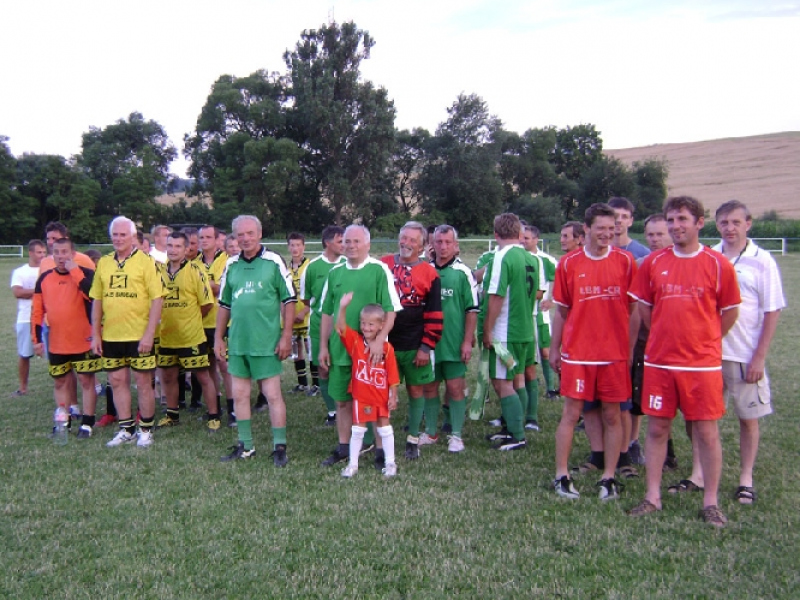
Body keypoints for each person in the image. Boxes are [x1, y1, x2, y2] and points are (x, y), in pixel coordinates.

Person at [628, 196, 740, 527]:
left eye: (683, 219)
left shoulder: (718, 264)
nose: (677, 226)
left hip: (701, 366)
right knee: (658, 427)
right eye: (672, 220)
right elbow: (645, 309)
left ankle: (710, 502)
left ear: (699, 222)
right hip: (661, 362)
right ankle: (652, 496)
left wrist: (703, 339)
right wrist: (666, 336)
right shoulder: (652, 263)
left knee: (706, 433)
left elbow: (730, 311)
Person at [550, 203, 637, 500]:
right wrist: (554, 349)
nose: (606, 234)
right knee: (571, 414)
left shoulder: (626, 262)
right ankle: (561, 475)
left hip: (613, 355)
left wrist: (628, 350)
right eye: (600, 228)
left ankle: (608, 476)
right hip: (578, 353)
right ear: (586, 229)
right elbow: (561, 311)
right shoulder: (569, 263)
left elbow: (632, 309)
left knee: (613, 415)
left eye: (611, 229)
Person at [712, 200, 783, 504]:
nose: (730, 228)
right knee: (705, 419)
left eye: (736, 223)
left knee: (747, 418)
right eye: (724, 222)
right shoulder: (710, 257)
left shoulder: (762, 260)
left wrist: (759, 357)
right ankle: (701, 474)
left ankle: (746, 478)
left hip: (744, 354)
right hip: (710, 354)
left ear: (748, 224)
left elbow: (772, 310)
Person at [215, 215, 296, 465]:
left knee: (272, 394)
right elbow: (224, 304)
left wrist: (286, 336)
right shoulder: (231, 265)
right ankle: (246, 445)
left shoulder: (273, 262)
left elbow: (289, 301)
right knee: (239, 394)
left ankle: (279, 446)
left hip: (266, 342)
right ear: (234, 237)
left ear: (260, 234)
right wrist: (219, 336)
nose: (245, 238)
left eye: (250, 233)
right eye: (240, 234)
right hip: (239, 342)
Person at [318, 225, 401, 468]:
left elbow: (391, 310)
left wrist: (379, 340)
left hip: (372, 353)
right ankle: (345, 446)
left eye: (356, 241)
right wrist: (323, 346)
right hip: (342, 348)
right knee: (343, 400)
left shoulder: (378, 270)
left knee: (375, 401)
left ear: (367, 244)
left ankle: (379, 450)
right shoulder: (335, 273)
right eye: (347, 241)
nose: (351, 245)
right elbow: (326, 313)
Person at [90, 216, 166, 448]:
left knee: (143, 382)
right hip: (112, 335)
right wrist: (95, 333)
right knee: (116, 380)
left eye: (123, 234)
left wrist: (149, 333)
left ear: (133, 237)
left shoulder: (146, 262)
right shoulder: (104, 262)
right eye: (115, 234)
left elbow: (157, 298)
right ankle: (126, 429)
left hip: (138, 335)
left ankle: (145, 429)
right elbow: (97, 300)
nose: (118, 238)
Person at [381, 221, 443, 459]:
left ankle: (412, 439)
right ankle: (376, 439)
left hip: (415, 344)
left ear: (423, 245)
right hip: (385, 344)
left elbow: (435, 313)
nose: (406, 243)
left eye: (413, 240)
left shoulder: (430, 273)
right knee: (379, 392)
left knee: (416, 390)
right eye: (403, 237)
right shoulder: (383, 264)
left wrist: (426, 346)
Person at [32, 238, 101, 438]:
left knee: (86, 381)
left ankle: (88, 422)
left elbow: (93, 296)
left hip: (83, 339)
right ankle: (65, 421)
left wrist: (75, 271)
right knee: (60, 382)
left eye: (65, 252)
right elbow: (36, 312)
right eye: (57, 252)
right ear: (52, 255)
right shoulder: (44, 278)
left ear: (73, 254)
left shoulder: (86, 274)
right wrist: (36, 339)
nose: (61, 256)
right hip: (57, 342)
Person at [482, 213, 539, 451]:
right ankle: (511, 427)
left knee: (503, 382)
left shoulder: (501, 257)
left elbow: (497, 295)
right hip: (526, 329)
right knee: (516, 380)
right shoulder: (531, 258)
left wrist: (487, 330)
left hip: (506, 332)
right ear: (518, 233)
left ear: (496, 234)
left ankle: (517, 435)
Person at [421, 225, 478, 452]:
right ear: (432, 245)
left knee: (455, 388)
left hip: (453, 342)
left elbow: (472, 310)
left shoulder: (463, 273)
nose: (443, 247)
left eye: (448, 242)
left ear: (456, 246)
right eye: (439, 242)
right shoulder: (424, 270)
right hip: (429, 343)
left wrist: (467, 340)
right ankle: (432, 433)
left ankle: (456, 434)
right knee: (430, 386)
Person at [627, 214, 678, 469]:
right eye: (651, 234)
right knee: (638, 393)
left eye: (660, 234)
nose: (655, 239)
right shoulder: (641, 263)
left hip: (679, 343)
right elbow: (636, 307)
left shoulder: (687, 262)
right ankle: (634, 443)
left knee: (671, 398)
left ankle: (668, 449)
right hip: (646, 338)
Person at [156, 232, 220, 431]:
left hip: (191, 336)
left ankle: (214, 415)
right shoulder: (158, 271)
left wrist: (189, 319)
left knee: (202, 376)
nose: (173, 250)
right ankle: (172, 415)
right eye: (170, 245)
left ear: (186, 250)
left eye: (178, 246)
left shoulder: (195, 270)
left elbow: (207, 304)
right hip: (166, 335)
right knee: (168, 376)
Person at [336, 292, 400, 478]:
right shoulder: (356, 342)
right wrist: (342, 307)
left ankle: (390, 463)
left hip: (381, 397)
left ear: (382, 325)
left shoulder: (387, 349)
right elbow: (340, 328)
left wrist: (393, 395)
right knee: (357, 429)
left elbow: (393, 375)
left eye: (371, 324)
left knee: (385, 428)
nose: (366, 327)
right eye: (363, 323)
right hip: (361, 396)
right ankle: (352, 464)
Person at [300, 225, 345, 424]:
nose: (344, 245)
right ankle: (332, 412)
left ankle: (349, 409)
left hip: (345, 326)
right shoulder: (313, 267)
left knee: (345, 368)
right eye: (340, 241)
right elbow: (306, 298)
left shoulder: (349, 264)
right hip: (320, 325)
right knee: (324, 369)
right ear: (328, 242)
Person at [189, 225, 229, 416]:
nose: (204, 240)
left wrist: (203, 286)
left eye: (208, 237)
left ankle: (233, 408)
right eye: (201, 237)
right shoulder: (194, 262)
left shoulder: (226, 259)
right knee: (208, 366)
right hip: (201, 322)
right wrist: (209, 286)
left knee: (225, 366)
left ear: (216, 239)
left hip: (222, 321)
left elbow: (222, 288)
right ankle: (216, 405)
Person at [521, 224, 558, 420]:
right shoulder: (519, 257)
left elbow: (560, 279)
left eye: (527, 238)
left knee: (545, 350)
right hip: (523, 314)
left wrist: (552, 300)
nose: (524, 241)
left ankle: (551, 387)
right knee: (529, 356)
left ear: (536, 240)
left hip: (539, 314)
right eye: (523, 237)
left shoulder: (546, 260)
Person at [10, 240, 47, 396]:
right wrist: (40, 290)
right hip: (26, 317)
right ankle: (23, 387)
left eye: (44, 252)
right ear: (30, 253)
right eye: (39, 252)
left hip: (47, 318)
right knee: (25, 354)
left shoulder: (48, 269)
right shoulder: (20, 272)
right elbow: (18, 292)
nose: (42, 255)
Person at [287, 232, 311, 393]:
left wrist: (304, 311)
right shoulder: (286, 268)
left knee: (311, 349)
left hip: (307, 315)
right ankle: (302, 383)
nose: (295, 249)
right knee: (297, 350)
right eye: (292, 245)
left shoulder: (310, 266)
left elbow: (315, 292)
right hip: (291, 316)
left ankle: (316, 383)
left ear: (304, 246)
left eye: (298, 245)